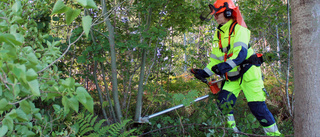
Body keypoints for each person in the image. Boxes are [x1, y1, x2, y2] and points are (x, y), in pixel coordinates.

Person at [191, 0, 281, 136]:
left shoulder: (240, 29)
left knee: (258, 108)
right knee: (224, 103)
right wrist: (205, 72)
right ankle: (232, 133)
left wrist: (223, 67)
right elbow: (216, 59)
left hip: (249, 74)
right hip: (232, 77)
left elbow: (241, 54)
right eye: (214, 14)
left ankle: (275, 135)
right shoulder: (219, 33)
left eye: (218, 14)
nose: (215, 17)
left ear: (228, 12)